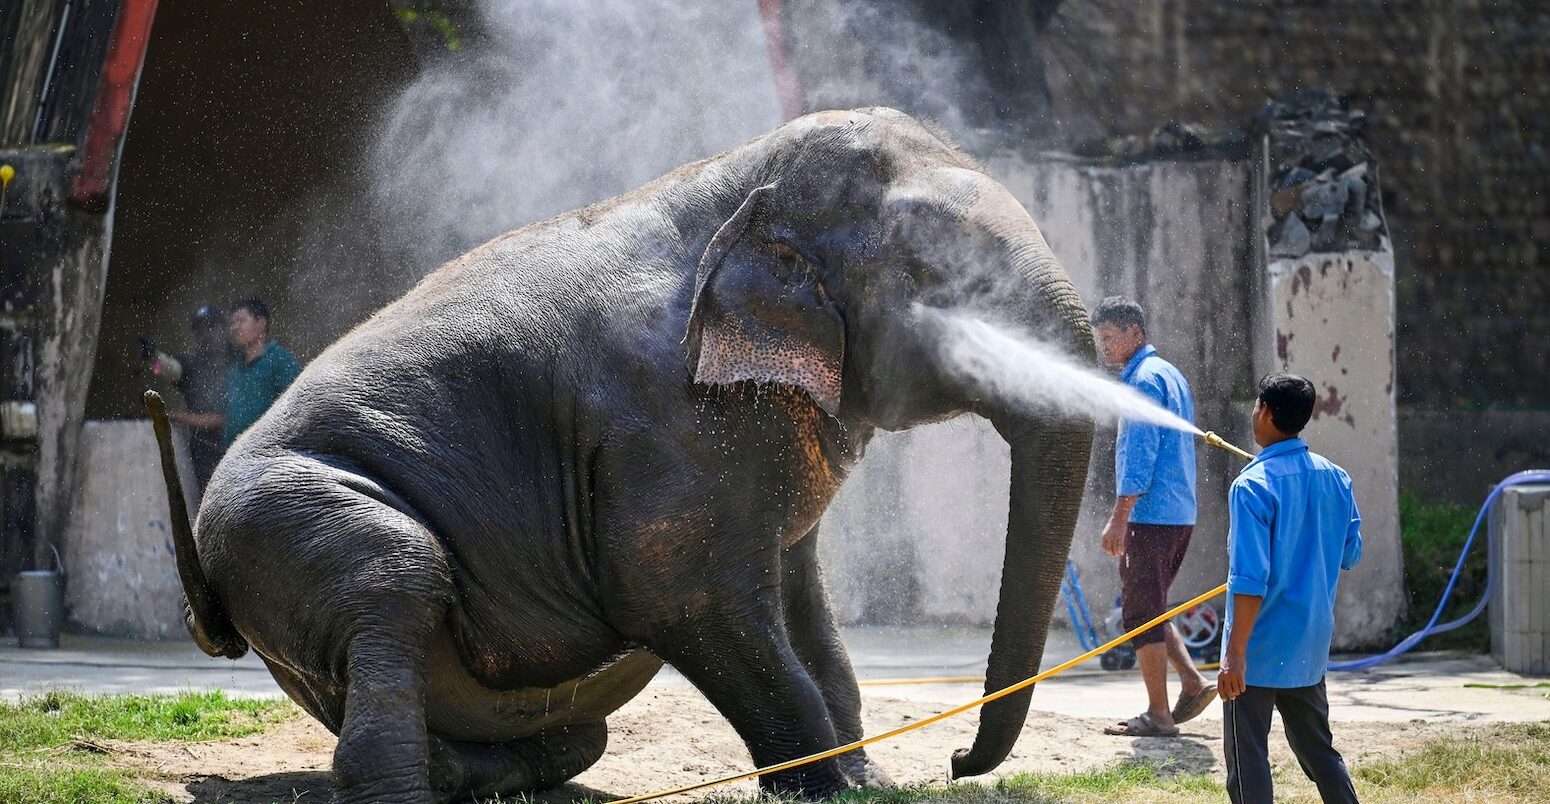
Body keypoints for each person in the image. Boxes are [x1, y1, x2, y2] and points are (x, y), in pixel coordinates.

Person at [1218, 373, 1363, 804]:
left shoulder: (1250, 487)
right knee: (1318, 750)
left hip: (1258, 646)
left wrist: (1234, 656)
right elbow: (1350, 555)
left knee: (1248, 760)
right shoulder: (1337, 479)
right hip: (1309, 642)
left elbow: (1249, 581)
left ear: (1264, 411)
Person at [1090, 296, 1216, 738]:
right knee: (1150, 605)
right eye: (1100, 338)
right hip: (1179, 512)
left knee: (1139, 613)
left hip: (1150, 515)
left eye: (1110, 337)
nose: (1104, 347)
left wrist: (1119, 517)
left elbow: (1139, 457)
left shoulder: (1142, 381)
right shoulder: (1169, 374)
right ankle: (1193, 682)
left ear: (1135, 334)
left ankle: (1159, 716)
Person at [142, 305, 234, 490]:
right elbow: (166, 369)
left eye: (211, 327)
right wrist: (153, 358)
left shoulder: (241, 361)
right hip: (204, 452)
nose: (207, 334)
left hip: (237, 446)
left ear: (223, 329)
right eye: (201, 330)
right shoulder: (192, 366)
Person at [223, 297, 302, 448]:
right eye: (232, 323)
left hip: (271, 452)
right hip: (236, 457)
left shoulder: (280, 359)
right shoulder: (234, 370)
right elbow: (224, 416)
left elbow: (297, 405)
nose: (235, 327)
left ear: (261, 323)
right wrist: (174, 417)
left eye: (241, 320)